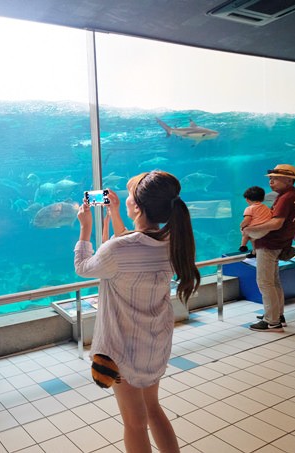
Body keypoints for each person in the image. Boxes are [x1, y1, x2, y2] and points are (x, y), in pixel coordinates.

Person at [74, 171, 200, 453]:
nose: (126, 198)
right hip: (155, 344)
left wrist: (84, 229)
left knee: (134, 422)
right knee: (153, 408)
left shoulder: (119, 250)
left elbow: (84, 267)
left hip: (124, 350)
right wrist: (116, 213)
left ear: (138, 207)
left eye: (129, 196)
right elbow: (130, 245)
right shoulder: (173, 243)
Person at [243, 164, 295, 332]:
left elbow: (276, 223)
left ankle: (272, 322)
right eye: (270, 179)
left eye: (275, 178)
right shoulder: (293, 195)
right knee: (274, 282)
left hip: (270, 245)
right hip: (280, 244)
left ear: (288, 180)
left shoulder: (285, 198)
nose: (271, 182)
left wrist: (250, 230)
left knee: (265, 282)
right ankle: (277, 315)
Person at [238, 186, 272, 258]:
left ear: (247, 199)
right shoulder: (266, 207)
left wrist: (241, 225)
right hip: (267, 231)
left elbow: (247, 220)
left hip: (256, 231)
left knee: (245, 231)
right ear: (262, 198)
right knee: (253, 238)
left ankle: (243, 246)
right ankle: (255, 252)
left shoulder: (249, 208)